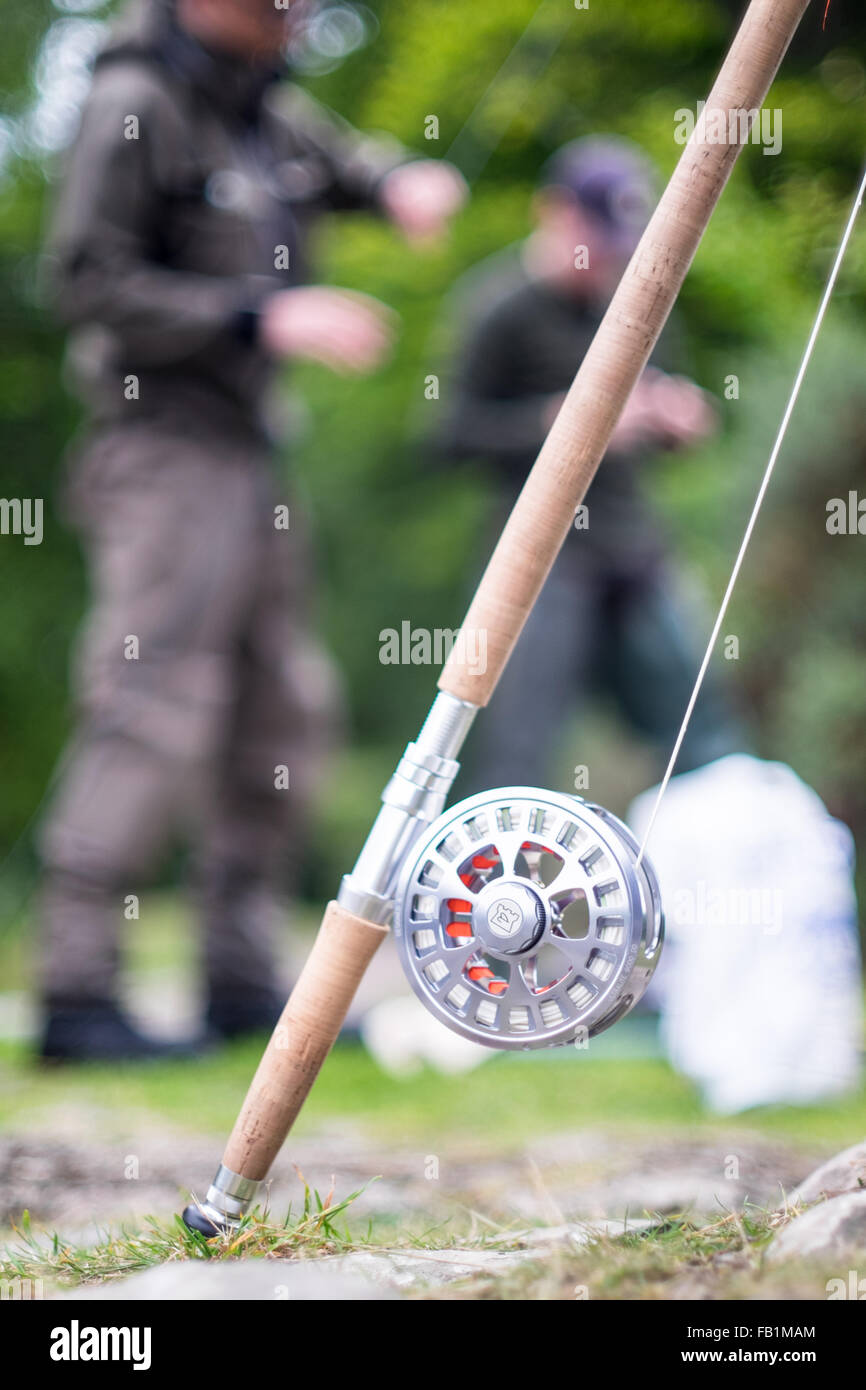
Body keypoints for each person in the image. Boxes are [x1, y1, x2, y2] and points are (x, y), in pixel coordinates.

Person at [38, 0, 466, 1061]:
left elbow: (352, 171)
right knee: (152, 702)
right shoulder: (132, 103)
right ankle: (76, 991)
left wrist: (401, 186)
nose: (297, 13)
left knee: (279, 712)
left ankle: (241, 981)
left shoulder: (268, 106)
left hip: (251, 454)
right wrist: (256, 316)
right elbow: (83, 279)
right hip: (161, 449)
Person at [437, 137, 742, 795]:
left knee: (702, 730)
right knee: (519, 749)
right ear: (552, 211)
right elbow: (449, 436)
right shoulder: (499, 307)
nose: (606, 256)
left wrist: (676, 420)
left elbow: (670, 394)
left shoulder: (638, 300)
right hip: (539, 560)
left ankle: (709, 881)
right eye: (596, 234)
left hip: (634, 550)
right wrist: (559, 423)